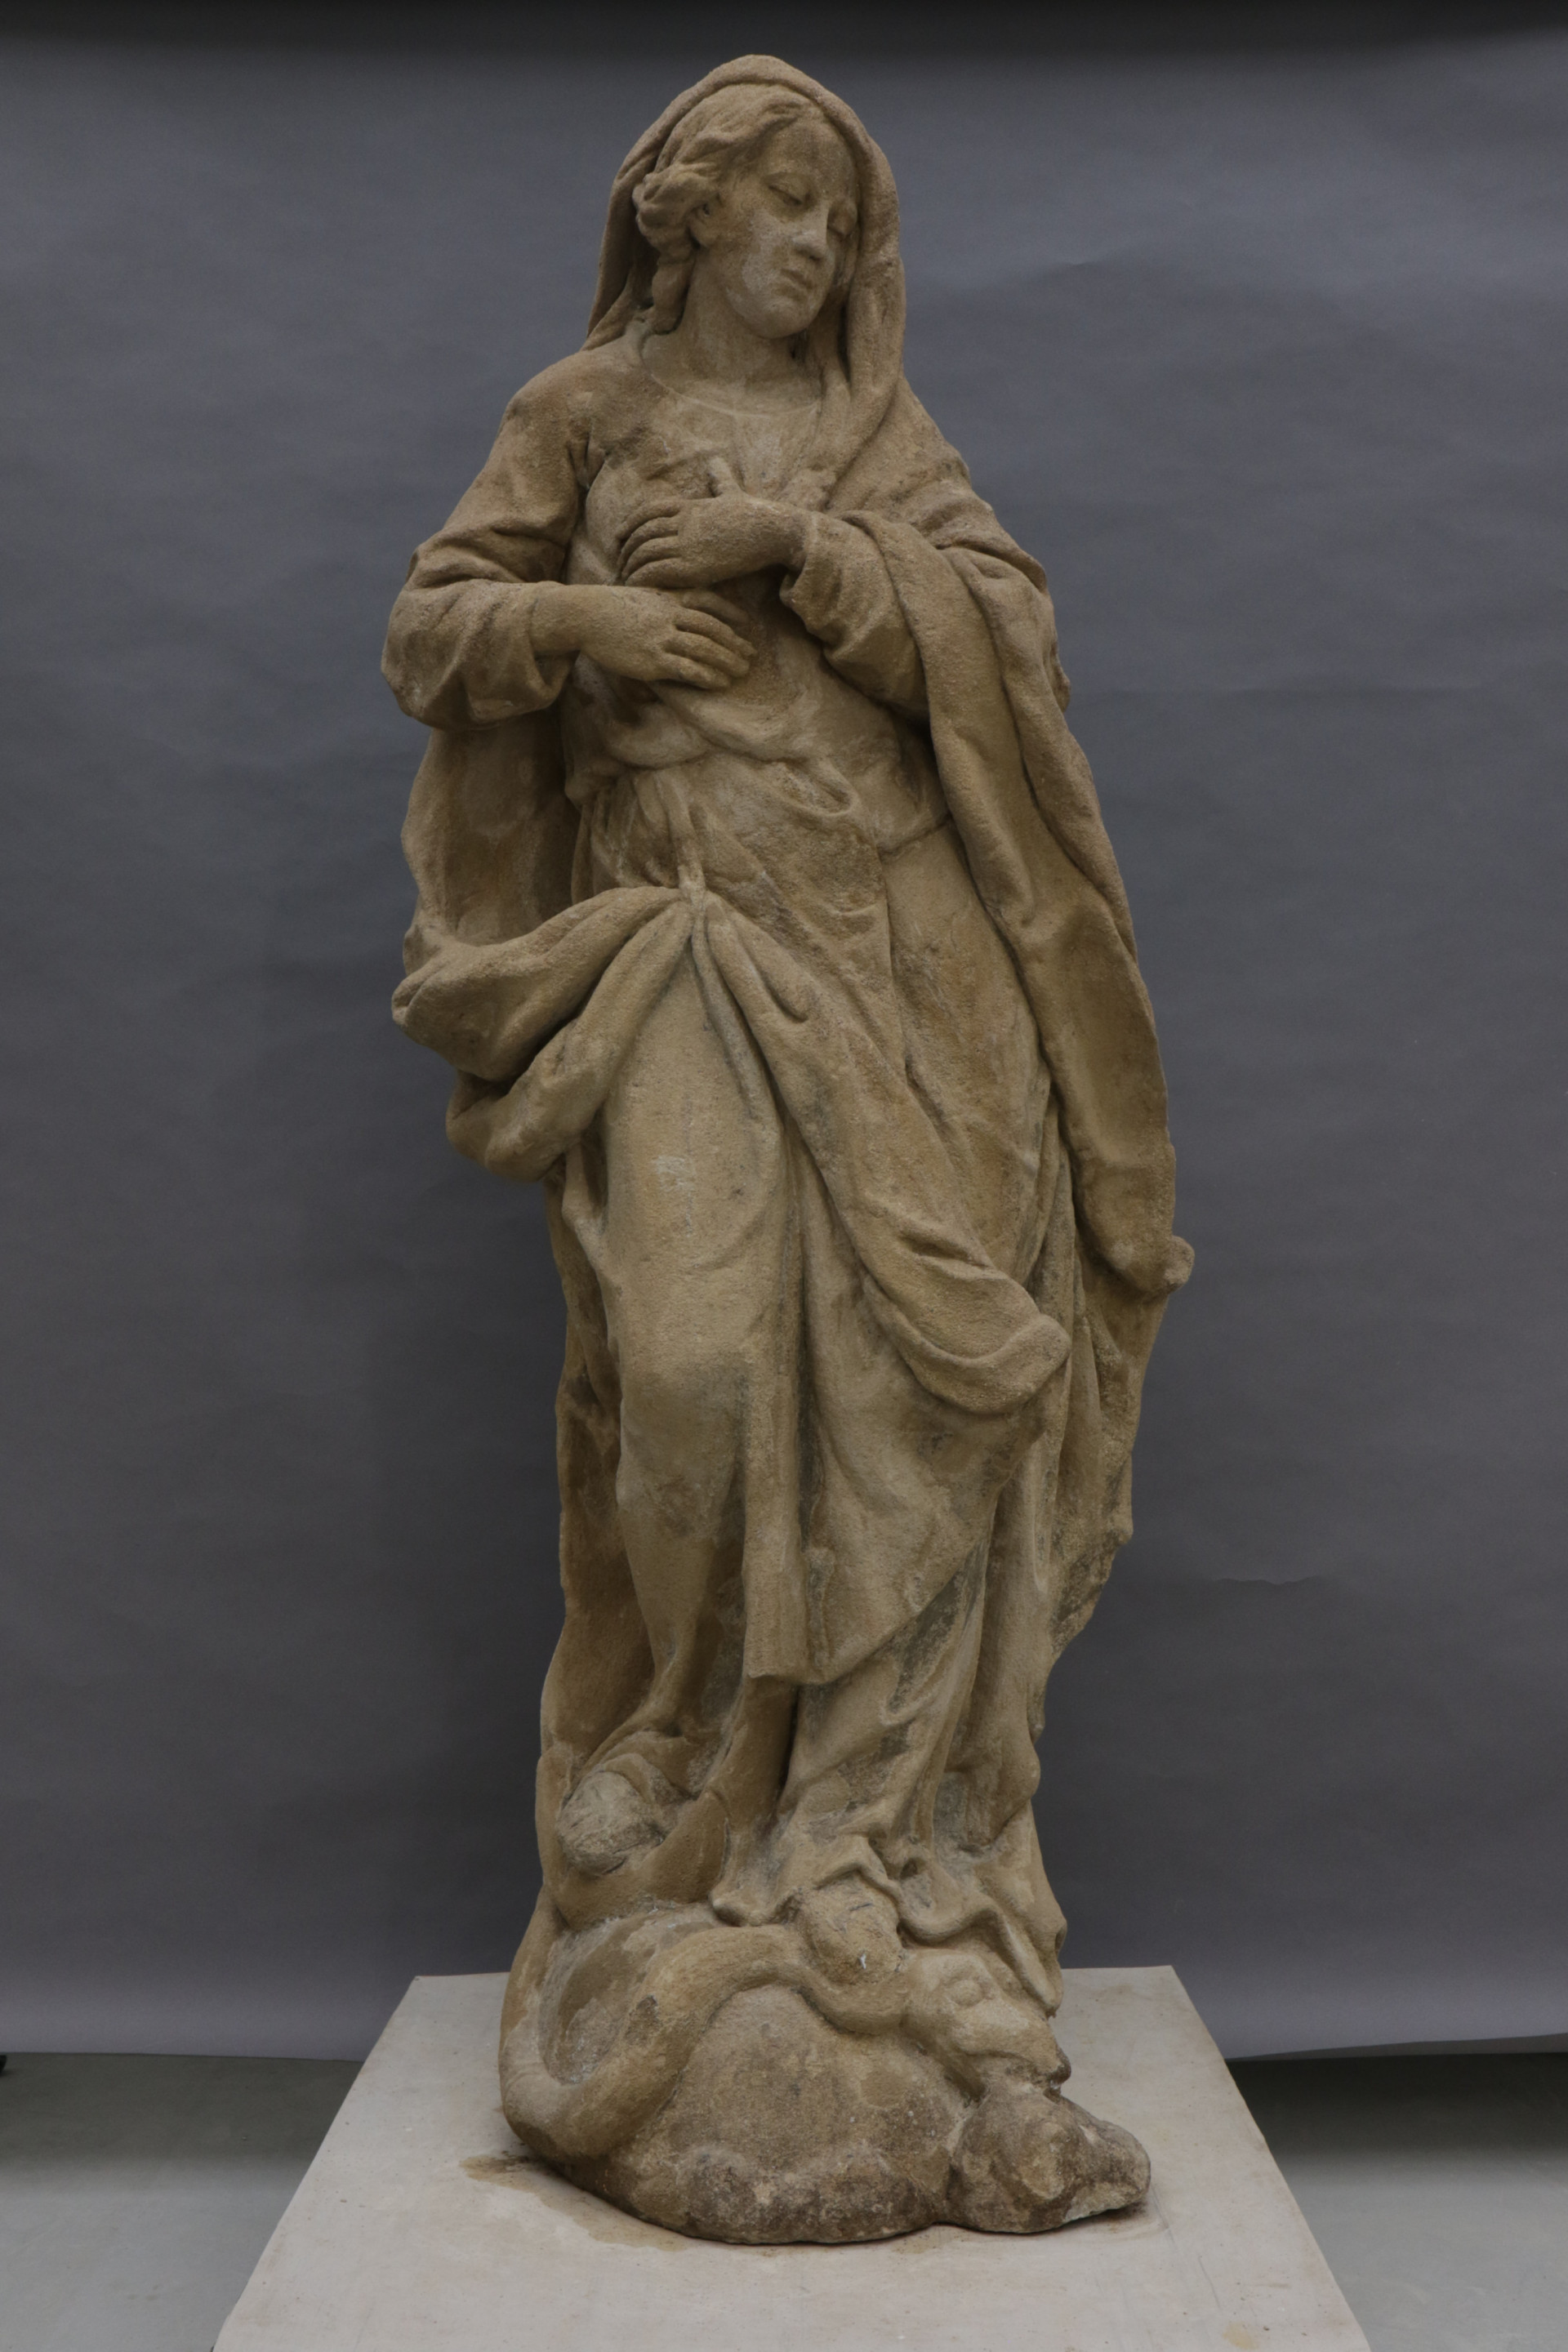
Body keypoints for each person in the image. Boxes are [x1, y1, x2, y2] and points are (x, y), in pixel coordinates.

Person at [385, 55, 1190, 2243]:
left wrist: (798, 548)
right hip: (691, 938)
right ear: (690, 215)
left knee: (931, 1410)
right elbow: (428, 628)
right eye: (786, 200)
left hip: (918, 958)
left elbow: (1010, 640)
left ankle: (861, 1852)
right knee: (696, 1370)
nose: (822, 242)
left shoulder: (878, 441)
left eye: (844, 210)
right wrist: (583, 623)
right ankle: (679, 1777)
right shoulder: (582, 413)